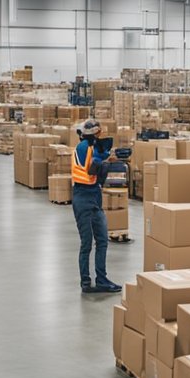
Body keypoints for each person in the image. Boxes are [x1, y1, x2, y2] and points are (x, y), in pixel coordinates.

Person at [72, 119, 120, 294]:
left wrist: (107, 159)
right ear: (92, 134)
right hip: (82, 197)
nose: (101, 135)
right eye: (98, 133)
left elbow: (98, 173)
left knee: (102, 240)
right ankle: (86, 282)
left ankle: (102, 280)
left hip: (94, 194)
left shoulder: (94, 148)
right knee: (86, 243)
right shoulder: (83, 147)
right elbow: (92, 169)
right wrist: (105, 160)